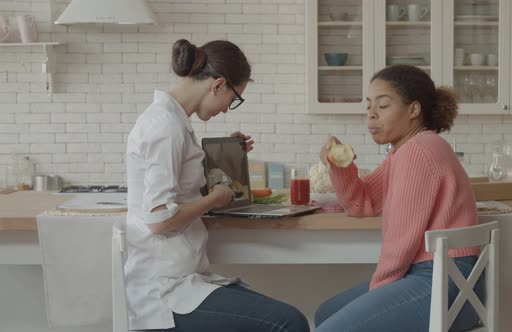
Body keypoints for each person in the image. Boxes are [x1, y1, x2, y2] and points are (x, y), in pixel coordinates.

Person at [125, 39, 309, 332]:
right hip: (164, 291)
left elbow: (182, 187)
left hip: (181, 277)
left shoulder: (172, 122)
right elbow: (159, 220)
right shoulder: (165, 127)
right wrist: (215, 199)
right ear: (218, 84)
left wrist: (225, 153)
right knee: (290, 323)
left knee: (285, 319)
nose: (227, 109)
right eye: (233, 99)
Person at [315, 65, 484, 332]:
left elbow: (400, 243)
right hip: (442, 280)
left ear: (413, 110)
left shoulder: (417, 151)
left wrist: (378, 295)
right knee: (326, 313)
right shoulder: (405, 151)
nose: (371, 114)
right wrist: (341, 165)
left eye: (382, 106)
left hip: (447, 287)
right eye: (369, 106)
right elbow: (361, 204)